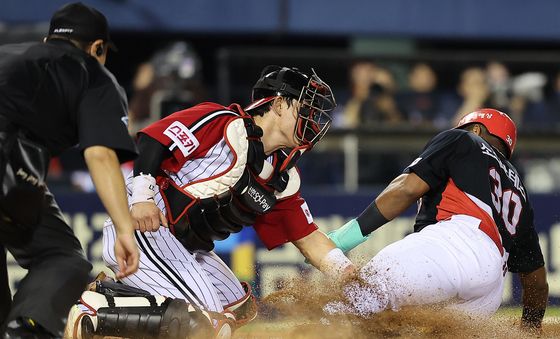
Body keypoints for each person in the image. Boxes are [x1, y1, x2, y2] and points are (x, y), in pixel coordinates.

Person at [65, 65, 354, 338]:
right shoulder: (224, 123)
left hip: (184, 247)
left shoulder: (281, 176)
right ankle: (97, 314)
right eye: (304, 109)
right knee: (206, 322)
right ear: (278, 104)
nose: (312, 120)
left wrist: (351, 278)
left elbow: (309, 239)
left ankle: (119, 305)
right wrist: (142, 196)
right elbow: (155, 140)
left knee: (238, 308)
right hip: (146, 228)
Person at [327, 108, 548, 332]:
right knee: (387, 327)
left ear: (476, 129)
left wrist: (347, 236)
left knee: (359, 298)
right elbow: (537, 281)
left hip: (454, 245)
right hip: (488, 295)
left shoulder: (463, 138)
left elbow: (407, 188)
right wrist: (530, 331)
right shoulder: (519, 191)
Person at [0, 3, 140, 338]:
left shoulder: (7, 52)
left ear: (49, 38)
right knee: (62, 259)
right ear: (98, 48)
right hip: (7, 162)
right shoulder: (92, 73)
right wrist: (124, 229)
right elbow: (100, 155)